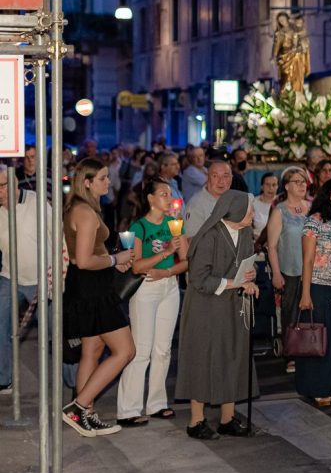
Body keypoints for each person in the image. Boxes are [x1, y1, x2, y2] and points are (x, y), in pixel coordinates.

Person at [174, 190, 261, 440]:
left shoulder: (244, 232)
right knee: (203, 359)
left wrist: (251, 276)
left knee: (232, 356)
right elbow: (199, 278)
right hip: (205, 306)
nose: (253, 214)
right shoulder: (209, 236)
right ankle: (196, 421)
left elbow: (247, 263)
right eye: (249, 209)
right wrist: (236, 283)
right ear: (235, 210)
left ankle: (227, 418)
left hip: (232, 305)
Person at [60, 158, 135, 437]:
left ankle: (85, 415)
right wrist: (115, 259)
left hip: (88, 285)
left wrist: (113, 261)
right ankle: (78, 407)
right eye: (103, 178)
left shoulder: (84, 208)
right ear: (88, 182)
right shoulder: (85, 212)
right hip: (93, 290)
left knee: (91, 350)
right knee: (125, 351)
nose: (108, 181)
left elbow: (93, 252)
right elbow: (83, 260)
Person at [116, 178, 189, 426]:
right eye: (163, 194)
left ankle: (157, 403)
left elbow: (186, 261)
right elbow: (137, 266)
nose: (169, 199)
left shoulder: (174, 224)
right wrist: (166, 252)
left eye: (170, 194)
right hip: (145, 288)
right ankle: (128, 408)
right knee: (142, 349)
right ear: (150, 198)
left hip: (169, 286)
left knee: (163, 349)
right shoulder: (139, 227)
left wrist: (166, 271)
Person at [296, 178, 331, 408]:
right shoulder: (315, 221)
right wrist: (305, 293)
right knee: (318, 340)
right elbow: (308, 260)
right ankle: (317, 388)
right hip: (318, 287)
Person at [0, 168, 42, 396]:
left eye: (2, 186)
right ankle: (4, 378)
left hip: (40, 278)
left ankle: (74, 381)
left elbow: (56, 234)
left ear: (14, 184)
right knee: (0, 325)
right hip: (9, 277)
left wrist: (58, 272)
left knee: (55, 331)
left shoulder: (36, 203)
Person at [266, 166, 311, 371]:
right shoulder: (280, 211)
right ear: (287, 186)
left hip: (312, 269)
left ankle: (310, 349)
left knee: (310, 311)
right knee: (291, 312)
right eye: (297, 182)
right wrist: (276, 273)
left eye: (304, 182)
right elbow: (272, 246)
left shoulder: (311, 208)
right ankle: (291, 353)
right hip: (290, 269)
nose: (302, 186)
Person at [182, 157, 234, 236]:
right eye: (215, 176)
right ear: (207, 178)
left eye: (225, 176)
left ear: (232, 178)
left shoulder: (235, 199)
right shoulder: (196, 205)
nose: (221, 181)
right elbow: (190, 240)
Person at [252, 172, 279, 236]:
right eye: (267, 184)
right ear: (262, 187)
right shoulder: (253, 203)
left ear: (278, 187)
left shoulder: (282, 203)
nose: (271, 188)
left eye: (274, 185)